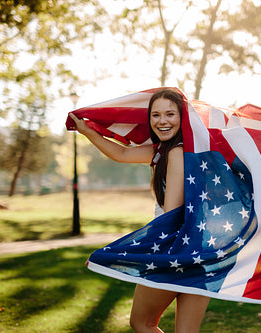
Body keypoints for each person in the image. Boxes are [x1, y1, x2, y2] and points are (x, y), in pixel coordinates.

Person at [69, 88, 210, 333]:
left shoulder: (176, 153)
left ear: (182, 117)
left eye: (170, 114)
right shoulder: (166, 151)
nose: (162, 121)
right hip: (200, 251)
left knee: (142, 323)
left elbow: (171, 217)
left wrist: (112, 252)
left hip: (173, 251)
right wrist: (87, 130)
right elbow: (122, 153)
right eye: (155, 115)